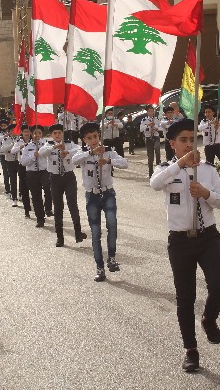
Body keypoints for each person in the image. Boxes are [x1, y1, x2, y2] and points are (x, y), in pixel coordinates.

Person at [150, 119, 220, 374]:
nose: (188, 144)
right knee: (185, 298)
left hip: (208, 236)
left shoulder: (207, 170)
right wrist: (180, 165)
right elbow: (155, 183)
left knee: (219, 286)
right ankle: (191, 350)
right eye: (182, 140)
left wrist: (206, 193)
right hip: (180, 241)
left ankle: (209, 319)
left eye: (191, 139)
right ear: (172, 144)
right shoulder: (166, 170)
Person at [73, 122, 128, 282]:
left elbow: (124, 163)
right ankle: (100, 267)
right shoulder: (82, 152)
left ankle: (111, 258)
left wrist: (108, 161)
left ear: (99, 136)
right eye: (89, 138)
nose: (93, 140)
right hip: (92, 196)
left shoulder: (109, 151)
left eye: (95, 137)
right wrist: (91, 152)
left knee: (112, 225)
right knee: (95, 232)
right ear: (84, 140)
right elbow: (74, 161)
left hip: (108, 193)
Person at [40, 124, 86, 247]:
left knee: (72, 204)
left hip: (69, 177)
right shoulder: (48, 144)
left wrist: (67, 152)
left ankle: (78, 232)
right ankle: (60, 237)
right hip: (55, 178)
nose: (57, 135)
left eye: (59, 133)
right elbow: (41, 153)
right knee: (58, 207)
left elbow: (79, 150)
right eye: (55, 133)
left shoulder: (69, 143)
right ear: (51, 135)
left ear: (62, 133)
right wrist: (55, 147)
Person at [19, 125, 51, 227]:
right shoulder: (27, 147)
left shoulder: (46, 145)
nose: (37, 135)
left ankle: (48, 208)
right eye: (35, 133)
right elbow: (23, 162)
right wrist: (34, 156)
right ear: (31, 134)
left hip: (44, 171)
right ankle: (40, 218)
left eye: (39, 133)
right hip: (32, 173)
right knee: (36, 196)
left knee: (48, 188)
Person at [11, 127, 33, 217]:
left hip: (32, 167)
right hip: (22, 166)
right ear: (22, 132)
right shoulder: (19, 141)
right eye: (25, 132)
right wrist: (21, 146)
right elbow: (12, 151)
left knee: (34, 188)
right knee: (24, 189)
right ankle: (26, 209)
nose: (27, 133)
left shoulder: (34, 141)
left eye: (28, 131)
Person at [140, 105, 163, 177]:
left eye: (152, 111)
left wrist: (156, 128)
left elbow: (161, 128)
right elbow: (141, 129)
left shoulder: (156, 119)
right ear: (147, 112)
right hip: (148, 137)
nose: (151, 113)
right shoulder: (144, 120)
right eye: (149, 111)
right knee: (150, 156)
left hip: (156, 137)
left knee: (157, 151)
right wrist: (148, 126)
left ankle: (158, 170)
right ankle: (151, 173)